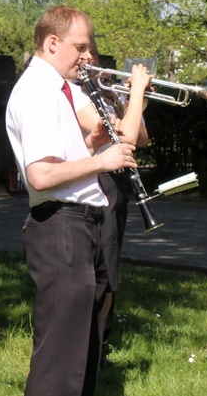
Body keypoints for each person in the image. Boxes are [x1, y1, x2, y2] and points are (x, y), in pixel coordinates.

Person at [5, 5, 138, 396]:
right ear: (51, 43)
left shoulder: (60, 91)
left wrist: (91, 144)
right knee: (59, 367)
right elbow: (41, 175)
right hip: (61, 227)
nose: (88, 55)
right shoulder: (37, 92)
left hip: (83, 225)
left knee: (84, 357)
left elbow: (61, 157)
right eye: (79, 47)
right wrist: (101, 160)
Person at [70, 37, 151, 367]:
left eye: (93, 52)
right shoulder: (74, 94)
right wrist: (136, 94)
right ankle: (89, 349)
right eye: (82, 51)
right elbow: (125, 136)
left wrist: (134, 99)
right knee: (97, 269)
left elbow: (141, 138)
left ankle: (100, 346)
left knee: (110, 266)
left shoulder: (108, 91)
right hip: (94, 180)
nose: (88, 57)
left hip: (116, 185)